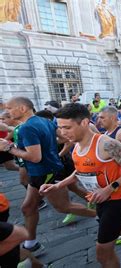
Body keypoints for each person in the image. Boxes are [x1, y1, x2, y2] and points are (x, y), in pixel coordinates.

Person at [40, 103, 121, 266]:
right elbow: (79, 172)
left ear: (83, 123)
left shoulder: (106, 144)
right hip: (99, 199)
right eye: (60, 128)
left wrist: (109, 188)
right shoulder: (76, 145)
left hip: (117, 199)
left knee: (103, 254)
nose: (62, 133)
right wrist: (58, 185)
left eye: (67, 127)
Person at [0, 97, 96, 255]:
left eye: (10, 108)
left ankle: (106, 217)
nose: (7, 111)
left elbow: (35, 157)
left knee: (64, 207)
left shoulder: (27, 128)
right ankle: (31, 243)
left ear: (23, 109)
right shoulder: (43, 121)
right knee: (28, 207)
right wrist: (50, 148)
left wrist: (9, 148)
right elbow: (64, 138)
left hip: (46, 172)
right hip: (40, 172)